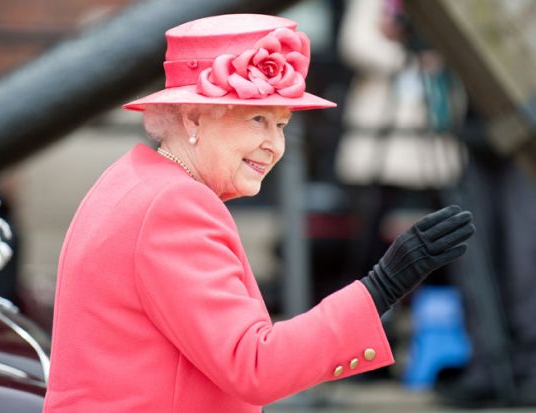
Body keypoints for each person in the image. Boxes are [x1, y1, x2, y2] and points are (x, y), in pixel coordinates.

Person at [43, 14, 475, 412]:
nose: (275, 145)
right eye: (256, 120)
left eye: (281, 124)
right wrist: (382, 286)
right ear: (193, 118)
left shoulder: (134, 179)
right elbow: (254, 365)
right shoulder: (176, 205)